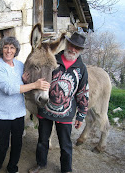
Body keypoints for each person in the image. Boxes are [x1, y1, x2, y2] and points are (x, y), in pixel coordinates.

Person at [29, 32, 89, 173]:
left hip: (66, 113)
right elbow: (38, 75)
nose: (73, 49)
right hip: (46, 108)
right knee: (43, 140)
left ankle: (66, 169)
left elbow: (83, 92)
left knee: (65, 144)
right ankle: (41, 164)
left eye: (77, 48)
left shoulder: (81, 69)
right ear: (67, 44)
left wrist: (81, 115)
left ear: (80, 51)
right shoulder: (52, 59)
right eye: (71, 45)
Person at [0, 36, 50, 173]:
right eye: (6, 47)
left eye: (12, 48)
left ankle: (12, 168)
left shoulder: (20, 65)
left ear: (16, 50)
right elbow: (9, 89)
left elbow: (21, 85)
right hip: (2, 114)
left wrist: (24, 81)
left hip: (18, 112)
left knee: (17, 144)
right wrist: (35, 84)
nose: (9, 51)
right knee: (2, 146)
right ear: (1, 50)